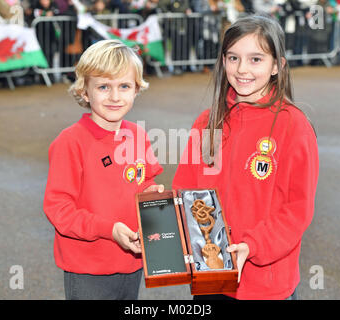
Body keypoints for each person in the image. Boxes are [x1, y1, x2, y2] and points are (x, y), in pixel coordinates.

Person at [172, 14, 319, 300]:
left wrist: (252, 246)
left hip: (266, 284)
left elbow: (296, 210)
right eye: (233, 58)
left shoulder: (293, 125)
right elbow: (187, 191)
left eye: (256, 59)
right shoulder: (206, 123)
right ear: (223, 61)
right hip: (212, 274)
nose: (242, 69)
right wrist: (162, 210)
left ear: (277, 65)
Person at [43, 39, 164, 300]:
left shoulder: (139, 134)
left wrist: (153, 195)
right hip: (88, 267)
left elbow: (144, 183)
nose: (115, 96)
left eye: (124, 86)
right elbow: (59, 209)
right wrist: (108, 229)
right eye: (103, 87)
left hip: (133, 260)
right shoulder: (70, 142)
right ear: (85, 91)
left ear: (136, 90)